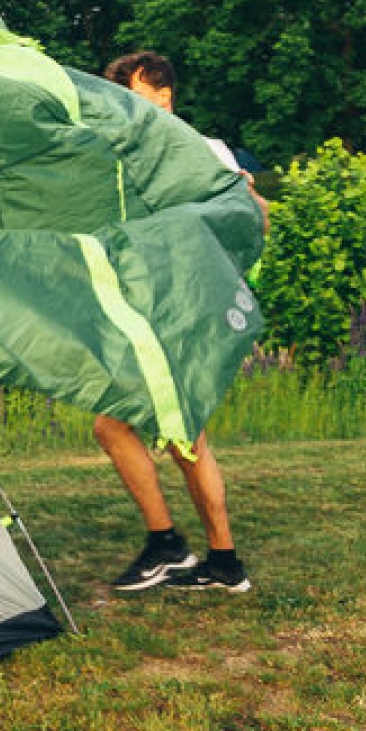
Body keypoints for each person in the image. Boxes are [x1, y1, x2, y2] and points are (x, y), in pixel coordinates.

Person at [96, 50, 266, 594]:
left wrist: (242, 192)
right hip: (163, 309)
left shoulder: (203, 150)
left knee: (120, 426)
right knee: (182, 435)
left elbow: (257, 216)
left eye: (133, 96)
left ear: (163, 96)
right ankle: (222, 562)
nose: (124, 108)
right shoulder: (130, 154)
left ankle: (170, 545)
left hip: (185, 311)